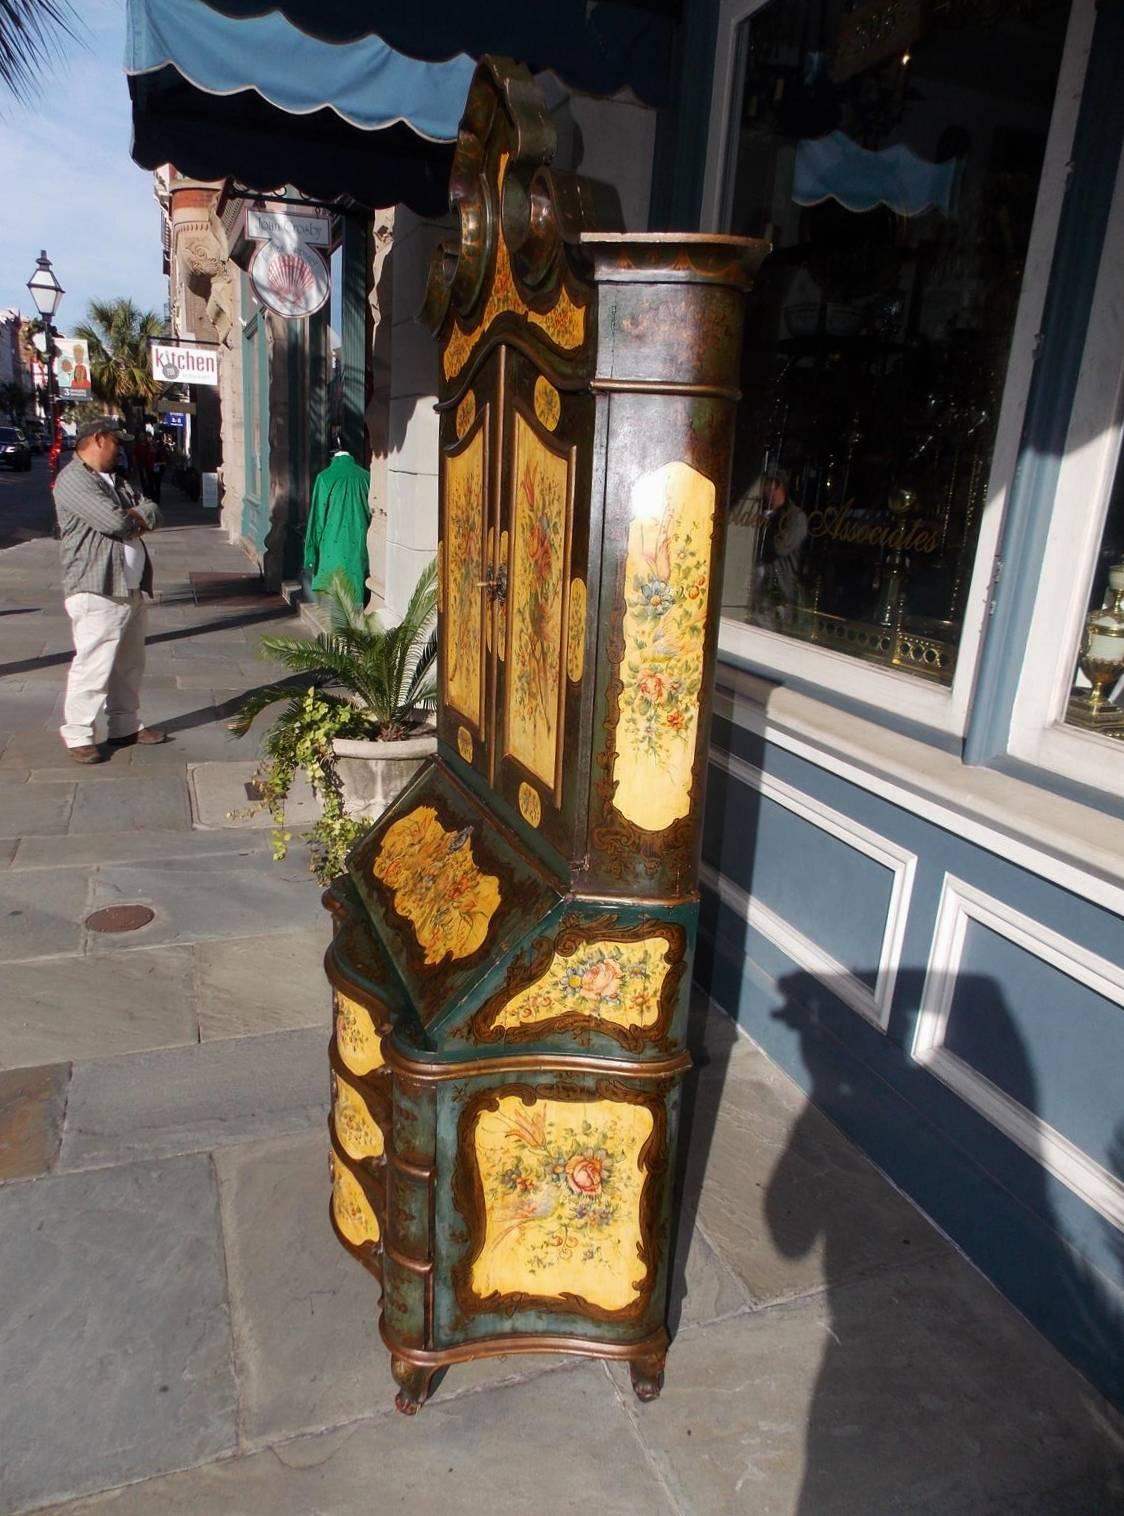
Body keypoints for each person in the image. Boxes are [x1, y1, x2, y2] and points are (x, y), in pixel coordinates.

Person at [53, 415, 167, 764]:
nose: (120, 450)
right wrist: (133, 516)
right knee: (94, 663)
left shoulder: (115, 480)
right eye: (117, 442)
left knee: (130, 664)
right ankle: (78, 734)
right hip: (97, 585)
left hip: (128, 587)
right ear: (99, 439)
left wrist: (135, 514)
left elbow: (155, 510)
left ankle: (125, 725)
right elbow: (113, 521)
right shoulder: (72, 479)